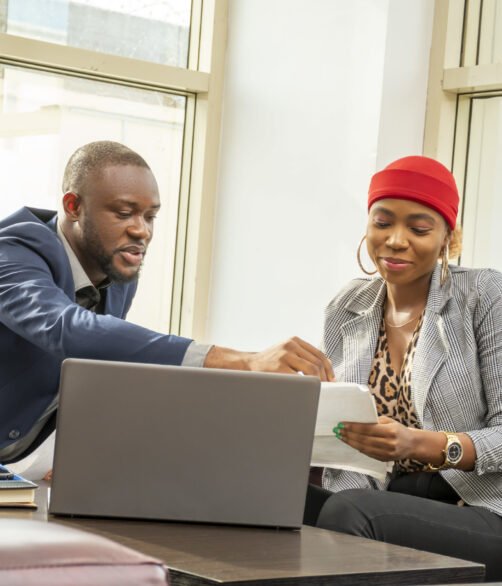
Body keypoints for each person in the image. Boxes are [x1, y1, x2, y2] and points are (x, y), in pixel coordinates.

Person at [0, 140, 333, 466]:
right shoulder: (12, 252)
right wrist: (242, 361)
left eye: (150, 216)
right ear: (74, 206)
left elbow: (100, 365)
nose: (141, 231)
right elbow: (66, 330)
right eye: (124, 213)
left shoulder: (115, 273)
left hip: (25, 465)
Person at [304, 155, 502, 580]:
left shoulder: (485, 296)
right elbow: (342, 429)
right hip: (387, 496)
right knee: (270, 499)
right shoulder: (347, 307)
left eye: (418, 228)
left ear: (449, 238)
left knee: (353, 514)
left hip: (483, 506)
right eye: (383, 222)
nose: (395, 240)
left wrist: (422, 444)